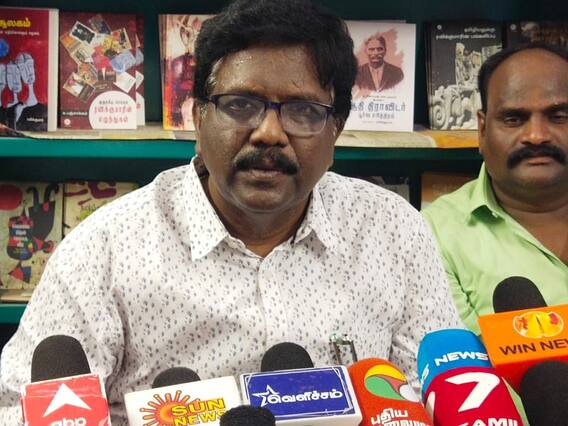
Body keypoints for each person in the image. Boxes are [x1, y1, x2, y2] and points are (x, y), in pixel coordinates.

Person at [0, 0, 461, 423]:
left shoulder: (393, 230)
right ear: (198, 118)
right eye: (241, 105)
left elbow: (439, 395)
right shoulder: (105, 249)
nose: (269, 133)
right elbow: (18, 410)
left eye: (302, 111)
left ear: (335, 129)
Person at [423, 43, 568, 335]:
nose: (536, 136)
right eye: (514, 119)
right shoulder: (434, 233)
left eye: (558, 116)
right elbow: (460, 357)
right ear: (482, 130)